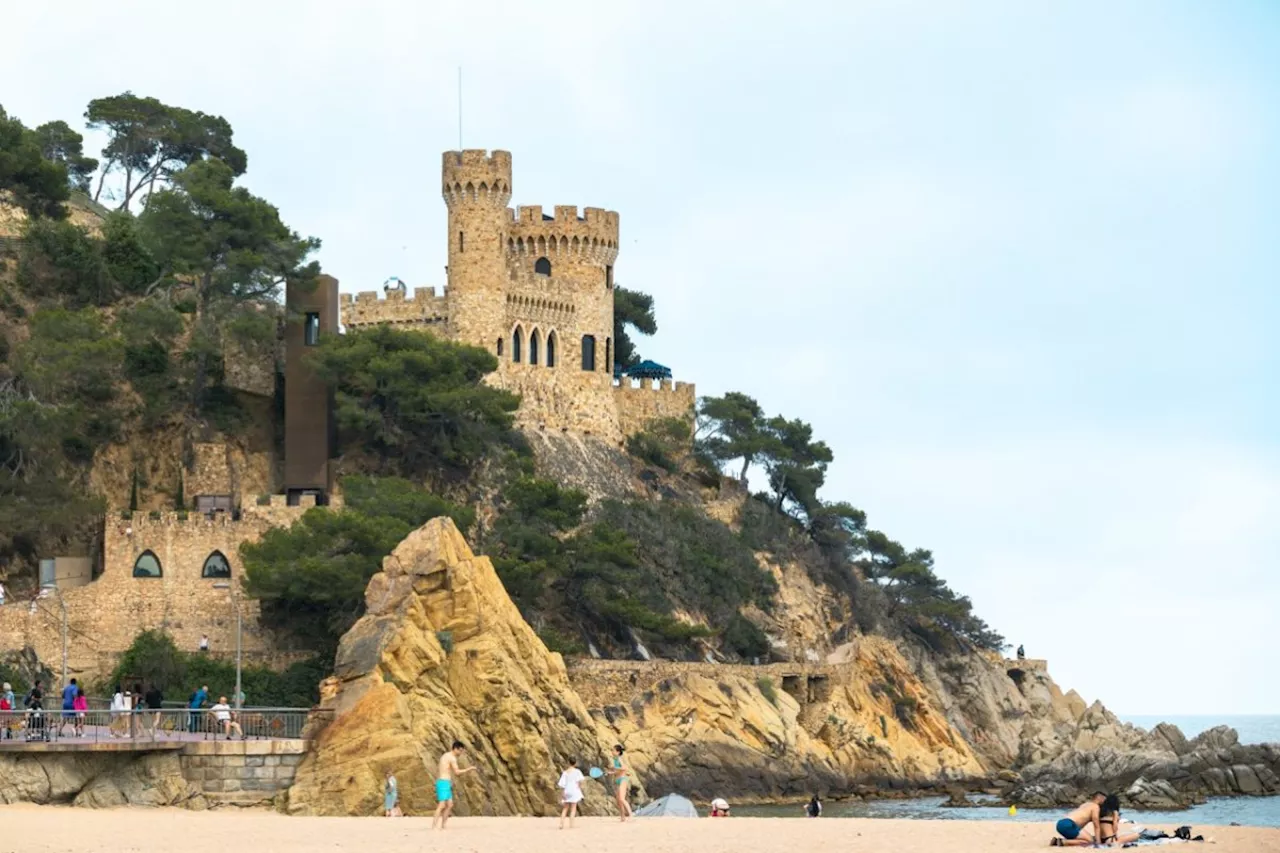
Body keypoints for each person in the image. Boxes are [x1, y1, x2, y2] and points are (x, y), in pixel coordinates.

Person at [431, 740, 477, 830]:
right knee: (442, 805)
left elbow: (443, 769)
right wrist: (469, 769)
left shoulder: (445, 755)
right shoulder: (452, 758)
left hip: (444, 782)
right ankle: (434, 826)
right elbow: (457, 772)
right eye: (460, 750)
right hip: (443, 782)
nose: (461, 753)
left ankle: (443, 825)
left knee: (450, 804)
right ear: (455, 749)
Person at [607, 744, 634, 822]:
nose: (612, 751)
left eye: (613, 750)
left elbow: (625, 768)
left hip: (623, 780)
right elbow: (617, 771)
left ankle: (631, 815)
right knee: (618, 800)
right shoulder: (615, 759)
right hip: (618, 780)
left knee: (622, 799)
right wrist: (610, 772)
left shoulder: (619, 759)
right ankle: (622, 817)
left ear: (618, 752)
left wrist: (615, 768)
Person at [558, 758, 585, 829]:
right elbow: (581, 781)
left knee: (565, 808)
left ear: (568, 763)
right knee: (573, 808)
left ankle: (561, 824)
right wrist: (579, 786)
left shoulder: (565, 772)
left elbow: (562, 784)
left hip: (567, 790)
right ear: (575, 763)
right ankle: (571, 825)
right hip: (574, 790)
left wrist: (562, 792)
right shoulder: (577, 771)